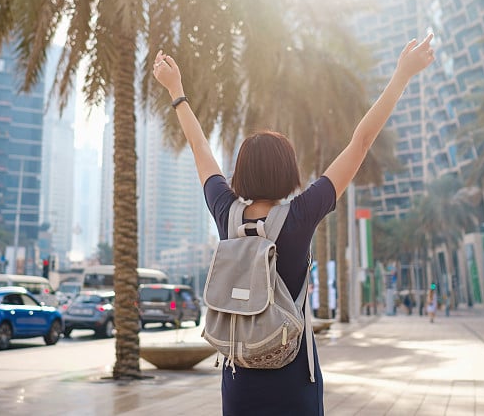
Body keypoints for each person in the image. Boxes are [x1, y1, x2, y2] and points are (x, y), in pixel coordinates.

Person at [152, 33, 435, 415]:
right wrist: (402, 75)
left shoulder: (225, 211)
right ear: (289, 171)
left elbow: (201, 149)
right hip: (293, 382)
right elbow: (361, 142)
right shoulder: (300, 215)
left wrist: (177, 91)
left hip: (238, 382)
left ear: (241, 172)